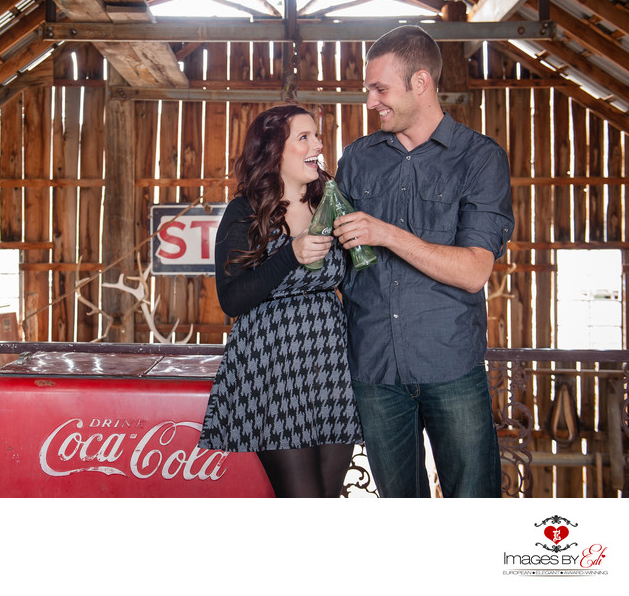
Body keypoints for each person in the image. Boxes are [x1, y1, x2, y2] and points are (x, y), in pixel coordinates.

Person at [333, 25, 515, 498]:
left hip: (450, 365)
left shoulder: (479, 159)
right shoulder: (356, 159)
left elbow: (474, 271)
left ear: (420, 83)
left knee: (473, 504)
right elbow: (333, 257)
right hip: (373, 368)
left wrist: (387, 234)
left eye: (380, 89)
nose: (371, 101)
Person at [198, 104, 364, 498]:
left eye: (317, 135)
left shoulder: (333, 204)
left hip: (330, 370)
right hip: (273, 371)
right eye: (303, 137)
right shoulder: (245, 212)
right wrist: (291, 253)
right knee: (301, 500)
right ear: (274, 151)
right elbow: (232, 299)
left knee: (326, 496)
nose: (317, 144)